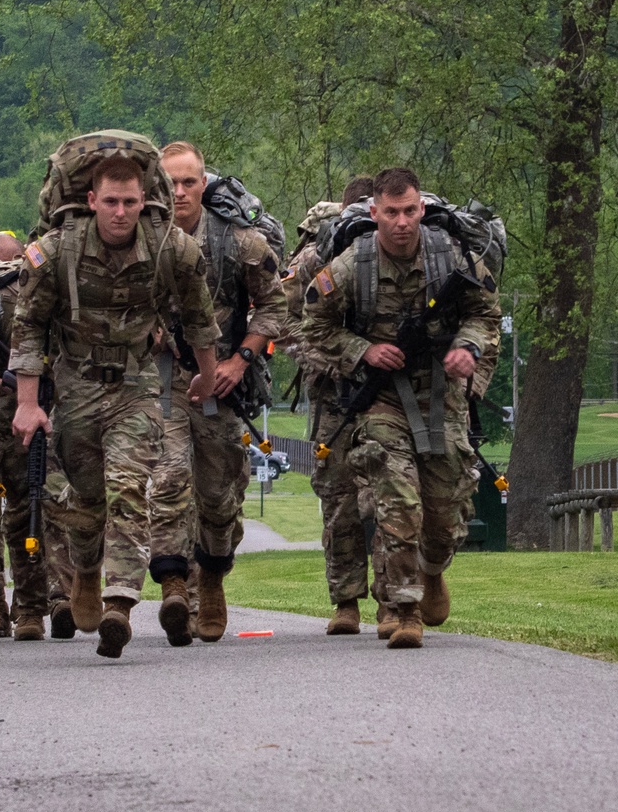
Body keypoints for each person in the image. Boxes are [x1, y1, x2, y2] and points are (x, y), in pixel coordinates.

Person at [10, 152, 221, 659]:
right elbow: (27, 327)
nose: (121, 212)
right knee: (86, 501)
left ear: (144, 201)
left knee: (129, 487)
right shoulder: (54, 251)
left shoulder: (173, 247)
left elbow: (198, 316)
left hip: (135, 382)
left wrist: (209, 374)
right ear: (90, 201)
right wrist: (27, 403)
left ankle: (119, 604)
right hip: (77, 385)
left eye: (130, 201)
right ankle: (84, 571)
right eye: (111, 202)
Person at [301, 167, 501, 648]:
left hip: (441, 391)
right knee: (398, 498)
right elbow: (314, 326)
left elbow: (484, 311)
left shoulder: (448, 257)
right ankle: (405, 609)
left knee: (445, 508)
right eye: (391, 212)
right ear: (375, 213)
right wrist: (361, 351)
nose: (402, 222)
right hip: (381, 397)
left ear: (421, 210)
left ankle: (432, 571)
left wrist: (468, 349)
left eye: (410, 211)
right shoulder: (351, 266)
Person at [147, 142, 289, 644]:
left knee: (220, 497)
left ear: (203, 185)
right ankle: (174, 588)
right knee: (167, 480)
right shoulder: (139, 241)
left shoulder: (239, 242)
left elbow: (276, 306)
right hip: (160, 384)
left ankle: (211, 575)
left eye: (189, 182)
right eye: (171, 183)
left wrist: (240, 358)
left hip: (223, 385)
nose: (180, 192)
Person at [280, 177, 385, 636]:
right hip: (333, 395)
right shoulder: (315, 259)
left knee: (387, 496)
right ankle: (347, 602)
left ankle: (391, 599)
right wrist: (336, 357)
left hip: (386, 389)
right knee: (340, 497)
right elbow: (288, 320)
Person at [0, 232, 74, 640]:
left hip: (62, 408)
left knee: (56, 504)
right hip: (13, 417)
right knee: (24, 509)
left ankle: (60, 598)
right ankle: (32, 607)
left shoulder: (71, 292)